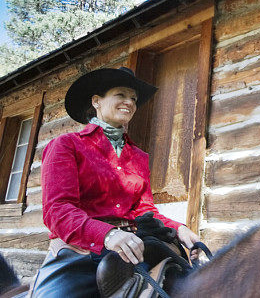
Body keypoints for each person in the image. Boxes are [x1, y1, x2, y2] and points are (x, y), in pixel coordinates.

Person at [30, 67, 201, 297]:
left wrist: (178, 228)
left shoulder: (139, 157)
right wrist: (108, 234)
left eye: (133, 99)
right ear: (97, 101)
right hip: (80, 251)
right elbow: (57, 211)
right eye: (121, 95)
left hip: (134, 247)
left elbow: (145, 211)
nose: (129, 102)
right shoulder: (66, 145)